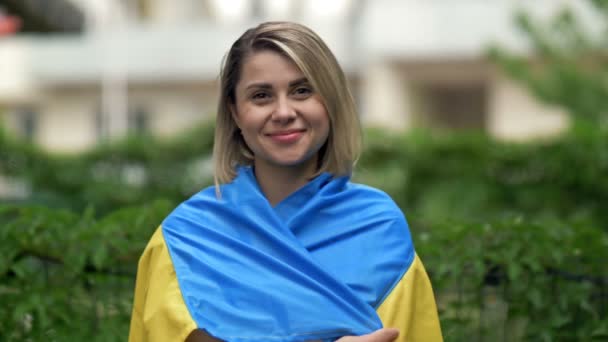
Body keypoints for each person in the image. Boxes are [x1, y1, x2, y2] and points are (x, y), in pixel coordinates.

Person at [129, 21, 442, 342]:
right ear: (235, 113)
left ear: (331, 101)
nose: (283, 112)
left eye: (302, 90)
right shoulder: (185, 240)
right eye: (261, 95)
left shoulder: (378, 228)